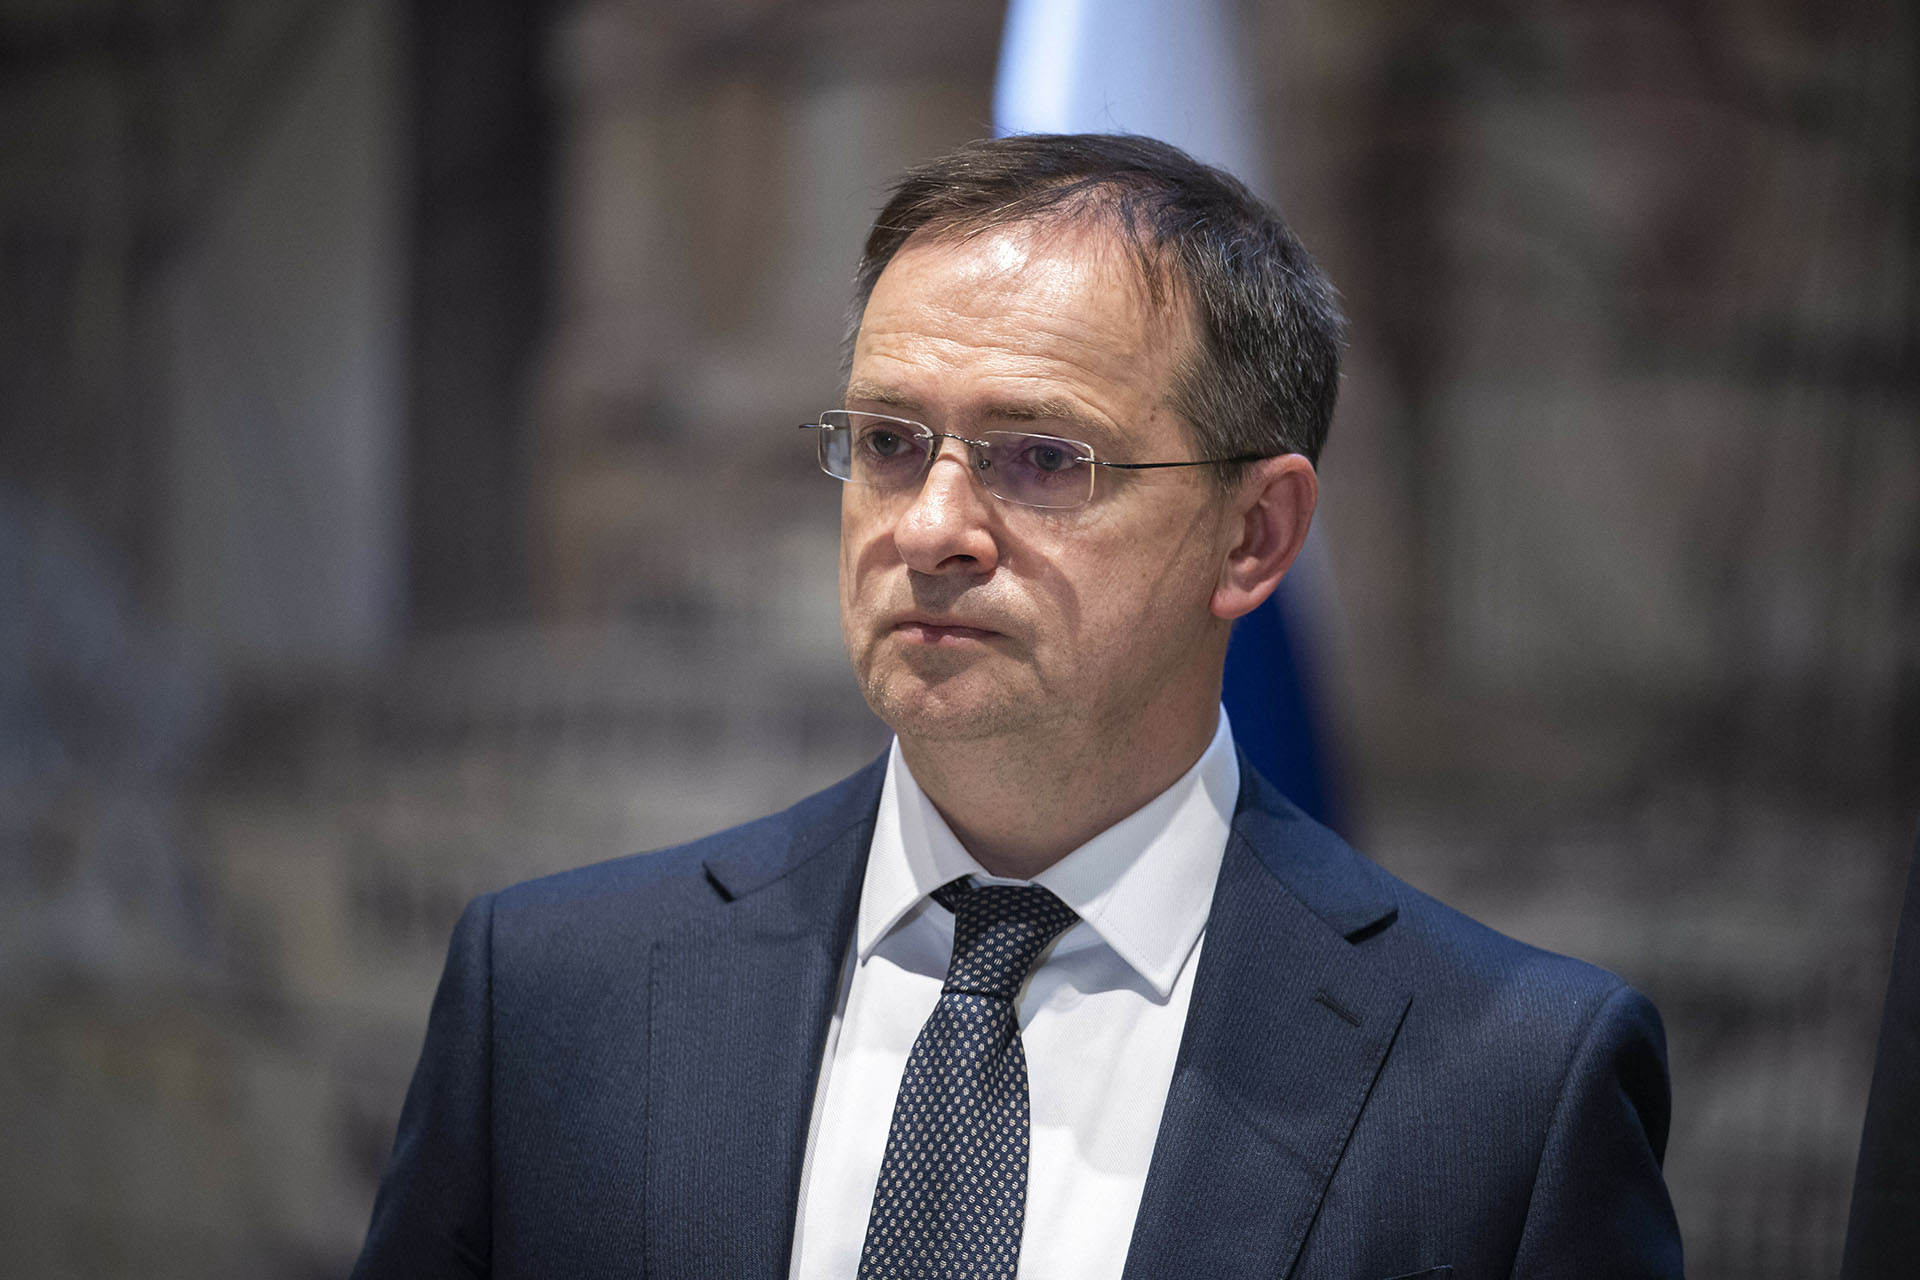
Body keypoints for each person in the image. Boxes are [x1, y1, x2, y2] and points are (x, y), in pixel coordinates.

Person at [353, 133, 1682, 1279]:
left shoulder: (1512, 1086)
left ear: (1254, 537)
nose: (932, 527)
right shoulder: (552, 994)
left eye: (1043, 458)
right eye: (888, 443)